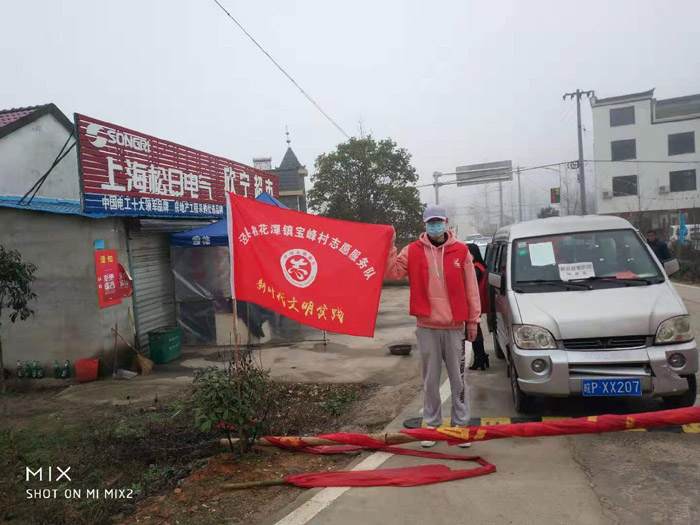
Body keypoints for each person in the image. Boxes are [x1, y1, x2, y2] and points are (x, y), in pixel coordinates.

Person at [385, 204, 481, 448]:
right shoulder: (412, 250)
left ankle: (460, 425)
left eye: (439, 221)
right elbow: (392, 273)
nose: (435, 225)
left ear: (446, 222)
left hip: (455, 326)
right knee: (430, 380)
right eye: (431, 222)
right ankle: (432, 424)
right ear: (424, 224)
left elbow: (471, 289)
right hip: (427, 325)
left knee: (458, 379)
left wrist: (473, 321)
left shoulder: (461, 251)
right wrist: (390, 245)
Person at [466, 243, 489, 371]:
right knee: (476, 332)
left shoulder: (475, 268)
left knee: (475, 333)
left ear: (473, 254)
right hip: (478, 303)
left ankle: (479, 358)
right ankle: (481, 357)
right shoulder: (480, 266)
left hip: (474, 304)